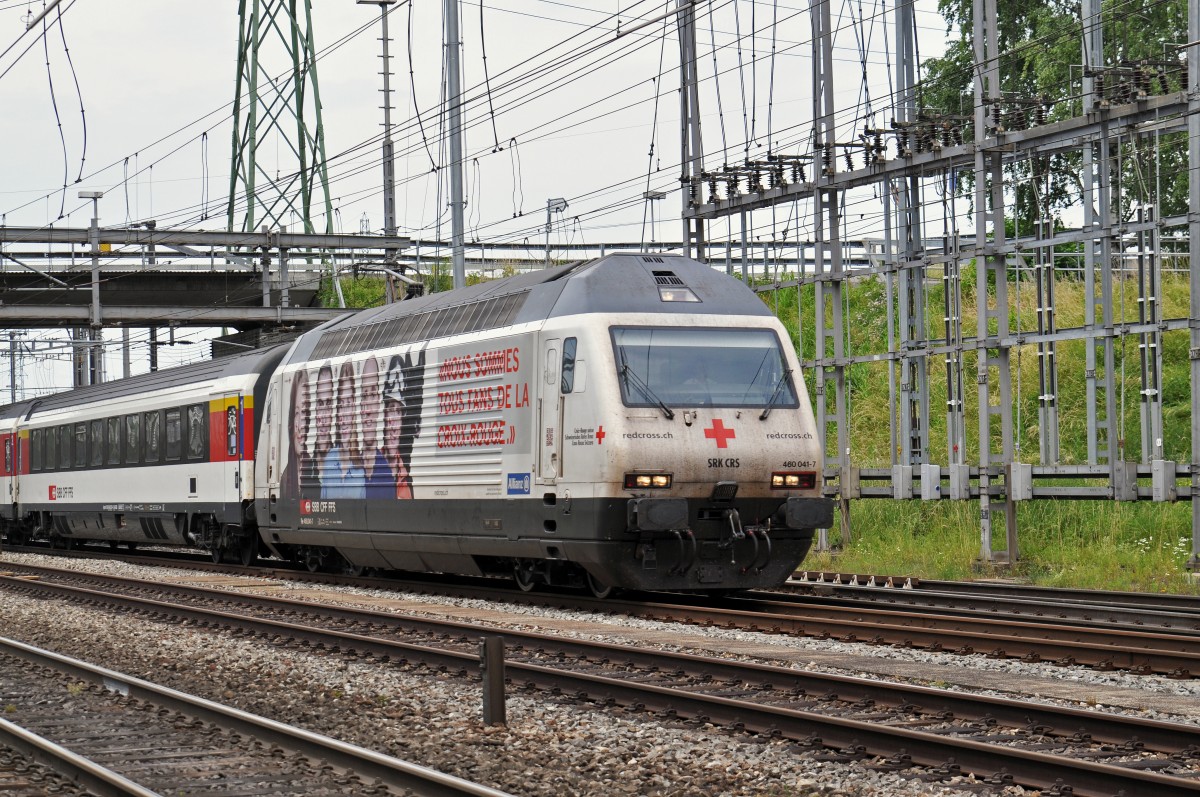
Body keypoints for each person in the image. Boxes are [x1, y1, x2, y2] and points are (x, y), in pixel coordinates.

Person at [323, 361, 365, 499]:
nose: (345, 413)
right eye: (341, 404)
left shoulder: (361, 465)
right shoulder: (329, 459)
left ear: (354, 408)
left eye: (348, 404)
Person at [359, 357, 393, 499]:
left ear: (379, 403)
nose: (367, 410)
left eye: (372, 394)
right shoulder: (348, 469)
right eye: (364, 395)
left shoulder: (387, 475)